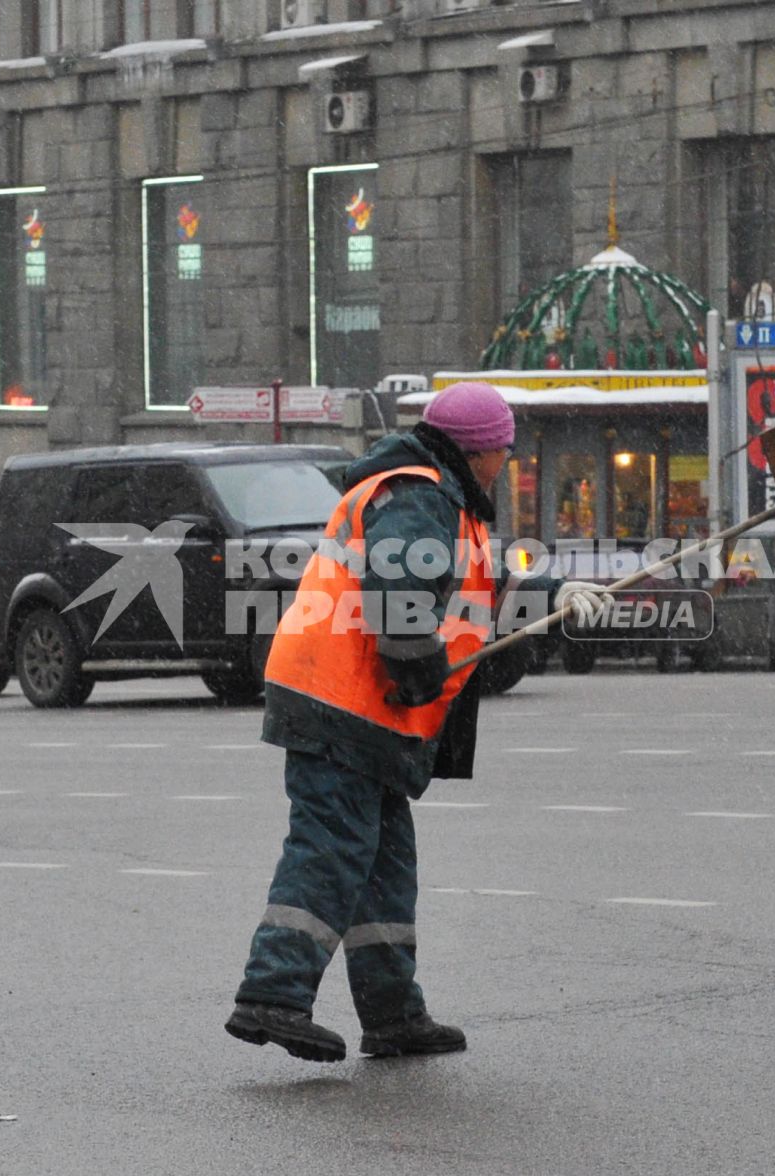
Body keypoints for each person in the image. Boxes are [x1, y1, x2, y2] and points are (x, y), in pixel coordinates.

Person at [227, 382, 605, 1063]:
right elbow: (399, 590)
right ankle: (273, 995)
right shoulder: (421, 493)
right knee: (334, 850)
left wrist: (559, 597)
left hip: (362, 706)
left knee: (383, 865)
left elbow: (477, 597)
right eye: (502, 452)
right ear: (479, 451)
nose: (505, 465)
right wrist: (415, 665)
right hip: (343, 701)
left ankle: (392, 1014)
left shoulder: (438, 498)